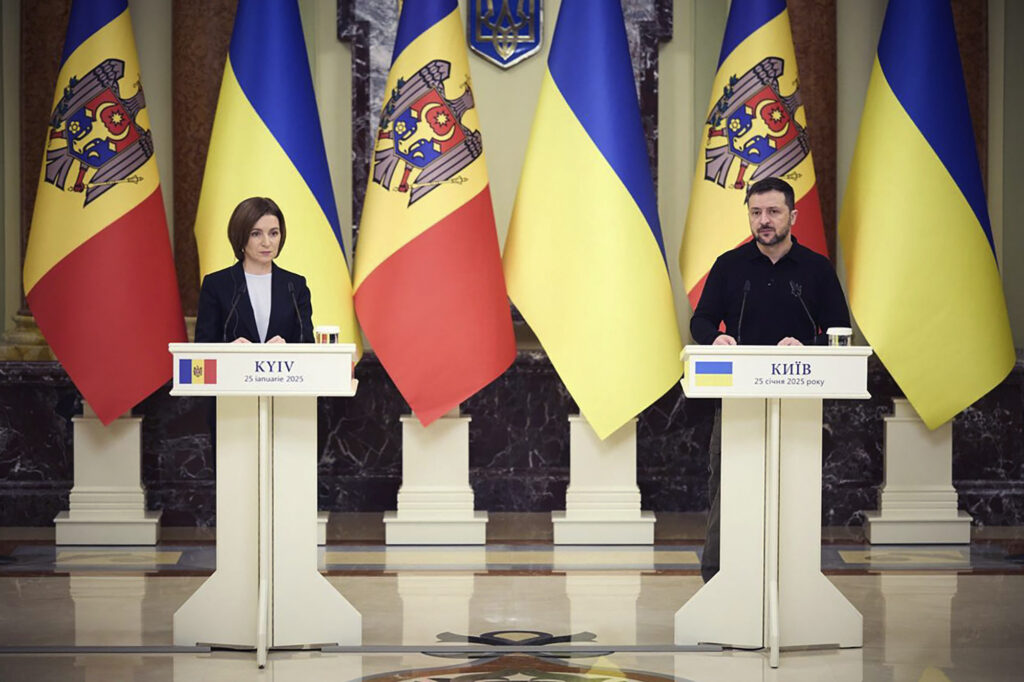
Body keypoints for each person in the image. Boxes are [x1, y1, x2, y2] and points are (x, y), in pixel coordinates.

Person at [690, 176, 850, 582]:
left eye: (774, 212)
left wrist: (809, 345)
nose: (764, 221)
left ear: (793, 216)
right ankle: (719, 577)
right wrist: (717, 337)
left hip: (799, 399)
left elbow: (838, 329)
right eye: (756, 212)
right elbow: (701, 320)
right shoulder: (730, 265)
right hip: (739, 399)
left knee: (794, 491)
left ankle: (792, 576)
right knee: (727, 490)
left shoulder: (816, 269)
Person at [194, 197, 312, 344]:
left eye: (273, 233)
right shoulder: (216, 285)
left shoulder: (295, 286)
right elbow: (203, 346)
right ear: (240, 236)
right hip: (233, 367)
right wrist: (227, 351)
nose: (267, 242)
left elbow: (307, 343)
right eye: (256, 234)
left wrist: (287, 349)